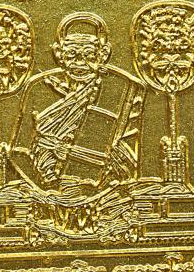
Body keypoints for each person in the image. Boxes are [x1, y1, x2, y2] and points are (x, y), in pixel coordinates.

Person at [10, 12, 145, 190]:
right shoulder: (39, 87)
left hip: (100, 189)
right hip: (43, 187)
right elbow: (19, 151)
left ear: (103, 54)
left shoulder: (121, 89)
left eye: (89, 55)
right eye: (72, 54)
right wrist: (44, 188)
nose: (79, 63)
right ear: (59, 53)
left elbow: (130, 157)